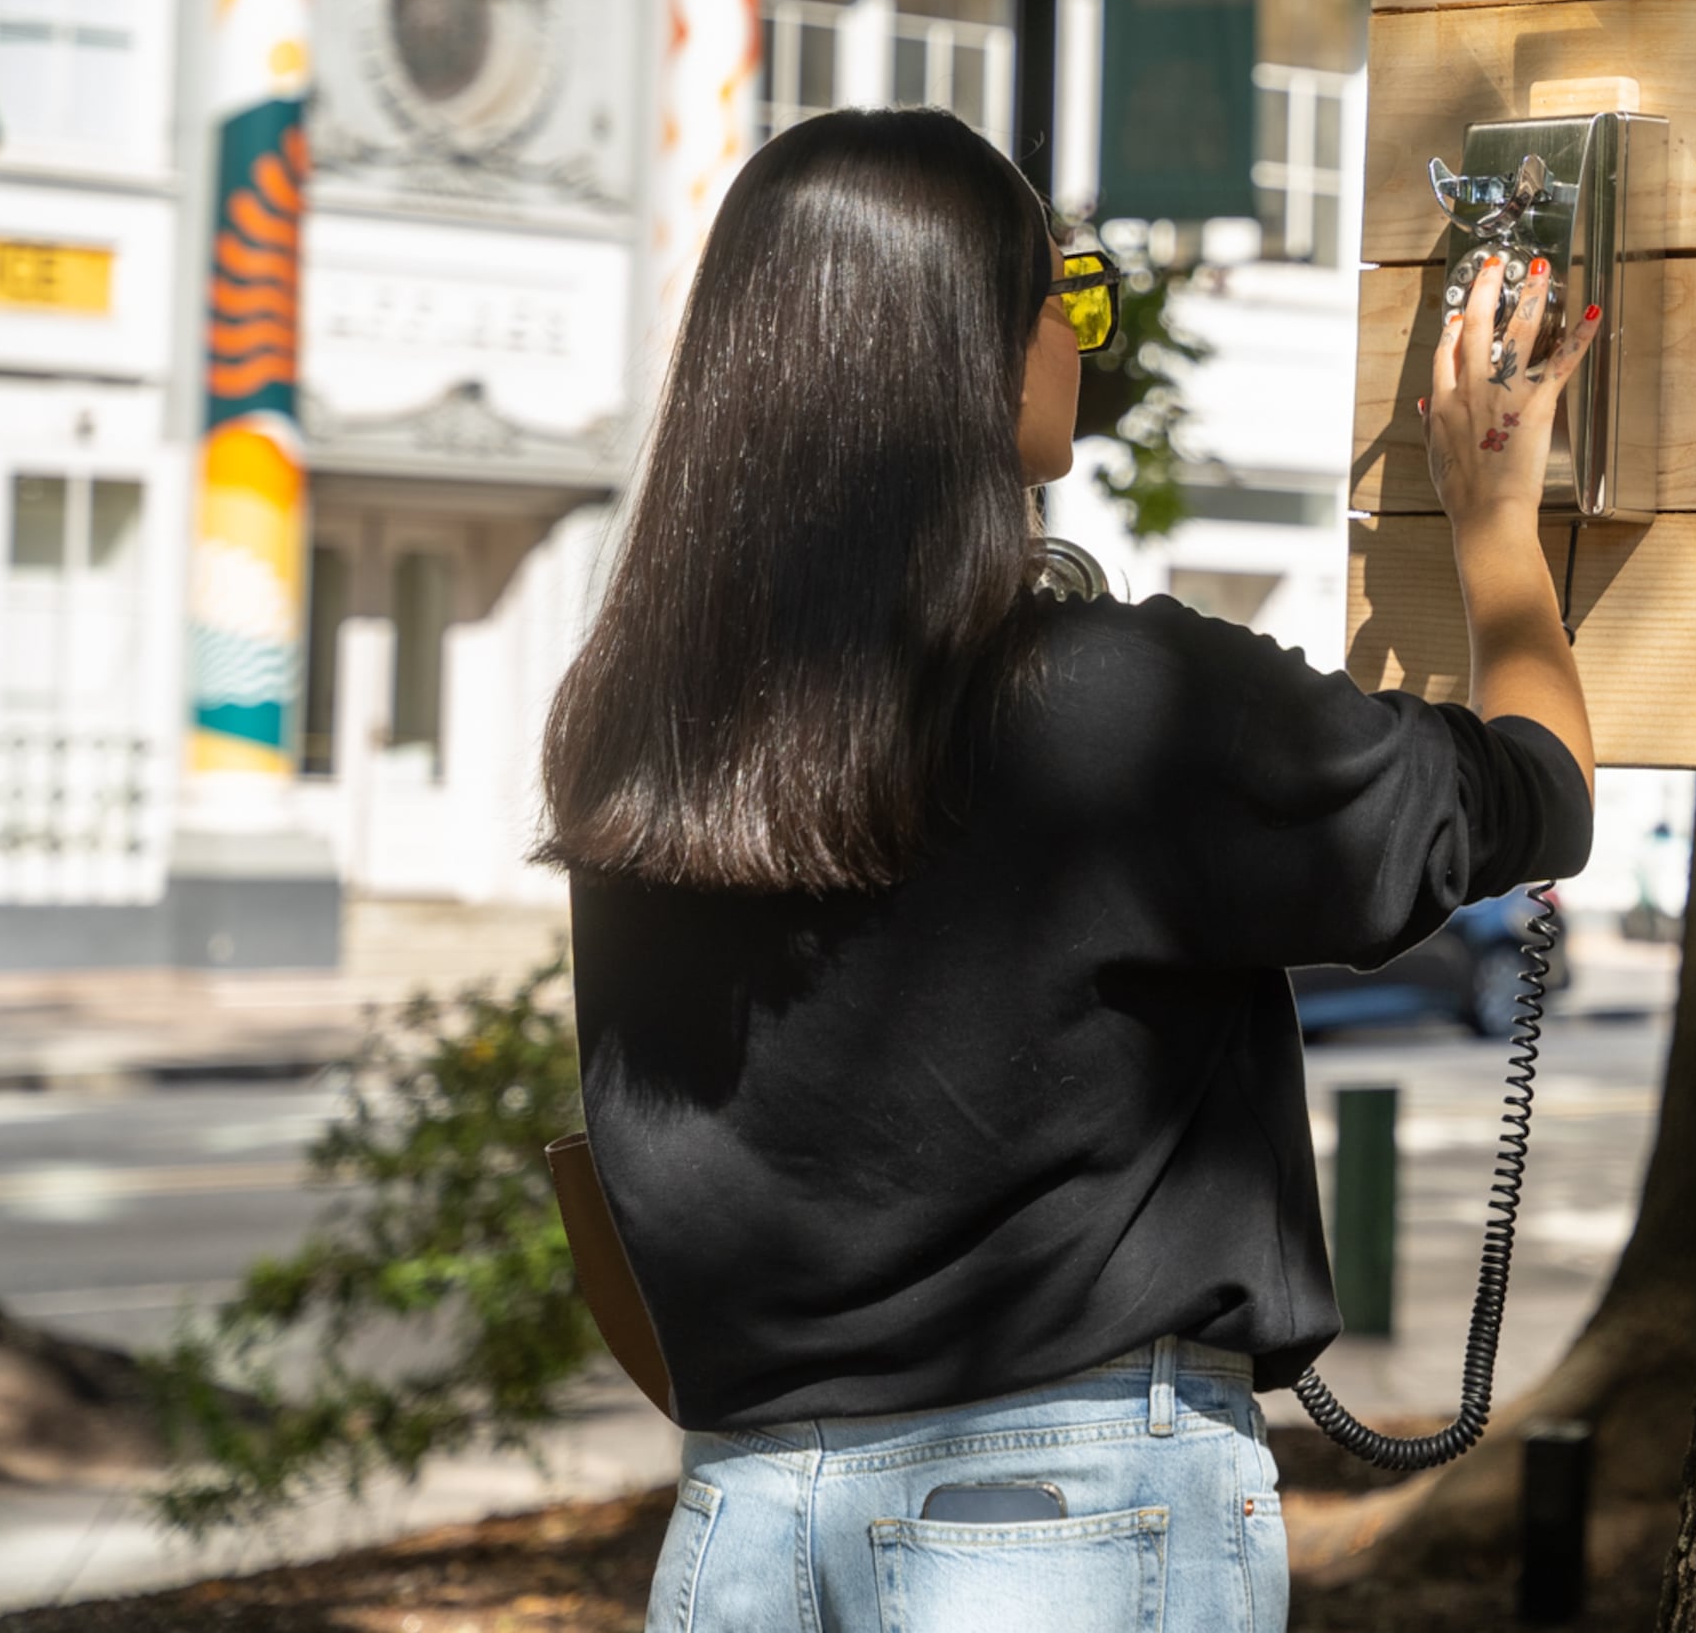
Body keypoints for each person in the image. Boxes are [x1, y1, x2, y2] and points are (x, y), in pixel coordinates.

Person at [544, 107, 1593, 1633]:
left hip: (746, 1518)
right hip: (1063, 1510)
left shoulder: (637, 722)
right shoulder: (1107, 701)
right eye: (1069, 294)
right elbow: (1534, 794)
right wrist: (1499, 530)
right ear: (968, 343)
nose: (1084, 340)